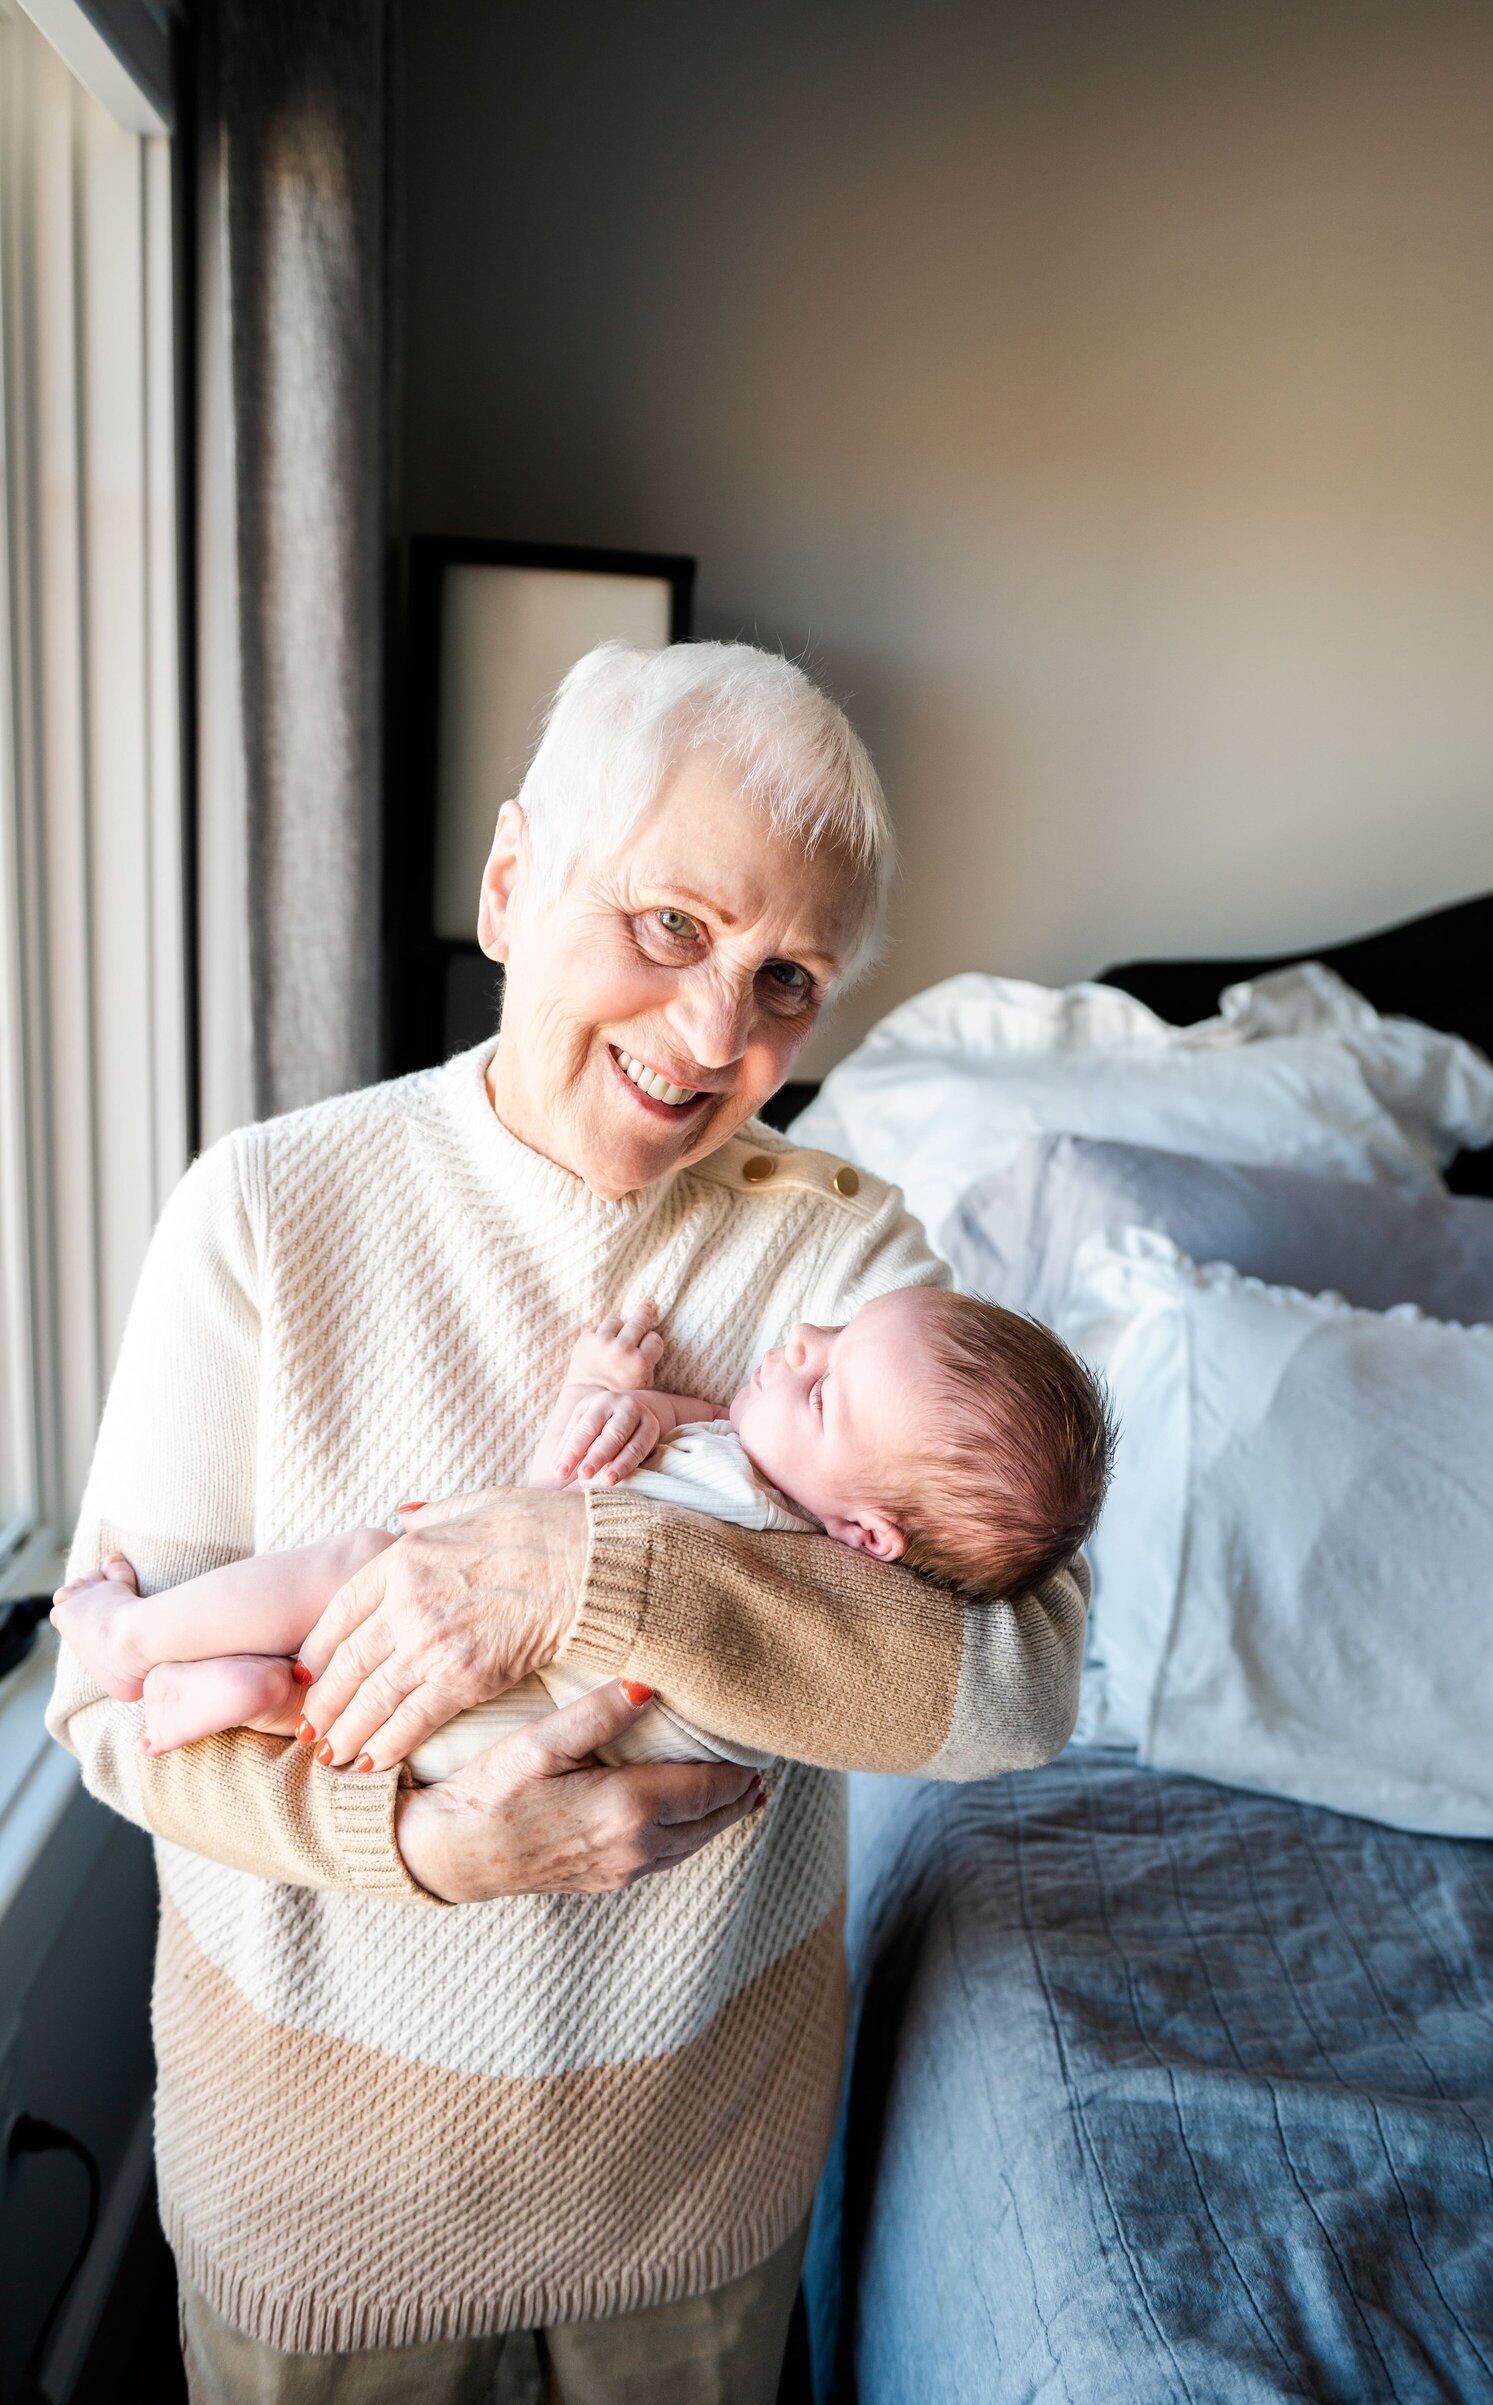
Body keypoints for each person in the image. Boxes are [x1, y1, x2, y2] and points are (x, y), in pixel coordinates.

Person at [47, 640, 1087, 2404]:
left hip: (694, 2204)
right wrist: (429, 1849)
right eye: (672, 928)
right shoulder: (268, 1213)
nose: (715, 1037)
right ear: (515, 885)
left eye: (787, 981)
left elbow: (1017, 1690)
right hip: (324, 2214)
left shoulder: (840, 1262)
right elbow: (103, 1712)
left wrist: (602, 1571)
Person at [52, 1288, 1112, 1768]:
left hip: (520, 1716)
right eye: (837, 1320)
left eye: (825, 1384)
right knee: (344, 1681)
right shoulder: (784, 1487)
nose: (800, 1335)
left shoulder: (761, 1532)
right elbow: (668, 1464)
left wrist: (591, 1400)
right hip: (487, 1742)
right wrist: (645, 1411)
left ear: (867, 1538)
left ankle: (136, 1638)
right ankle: (252, 1695)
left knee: (365, 1564)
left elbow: (536, 1522)